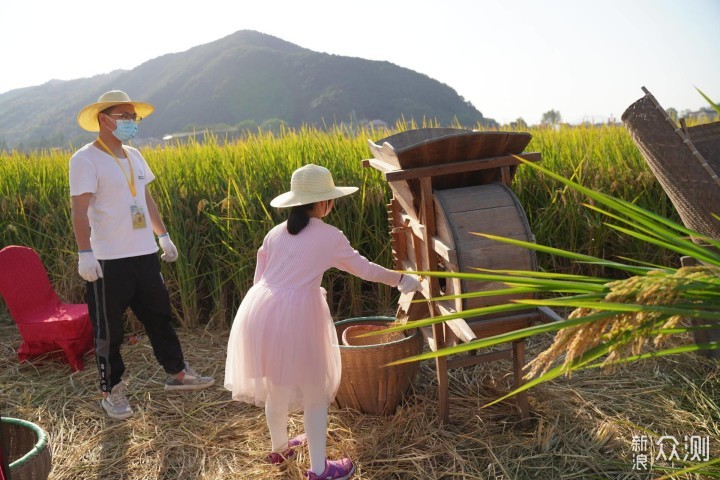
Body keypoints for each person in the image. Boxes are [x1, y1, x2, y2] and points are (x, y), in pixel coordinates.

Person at [224, 164, 422, 480]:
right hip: (297, 313)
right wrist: (402, 279)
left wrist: (271, 302)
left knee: (277, 383)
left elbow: (260, 275)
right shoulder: (328, 236)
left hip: (258, 309)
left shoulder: (275, 233)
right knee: (316, 392)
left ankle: (279, 449)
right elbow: (365, 269)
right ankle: (319, 470)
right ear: (323, 203)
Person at [69, 90, 215, 420]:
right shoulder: (85, 159)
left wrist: (162, 236)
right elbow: (79, 212)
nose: (132, 123)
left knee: (159, 318)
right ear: (103, 119)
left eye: (134, 117)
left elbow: (146, 200)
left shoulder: (135, 155)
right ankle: (112, 391)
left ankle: (177, 373)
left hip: (144, 255)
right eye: (125, 116)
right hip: (108, 260)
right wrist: (85, 253)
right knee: (110, 331)